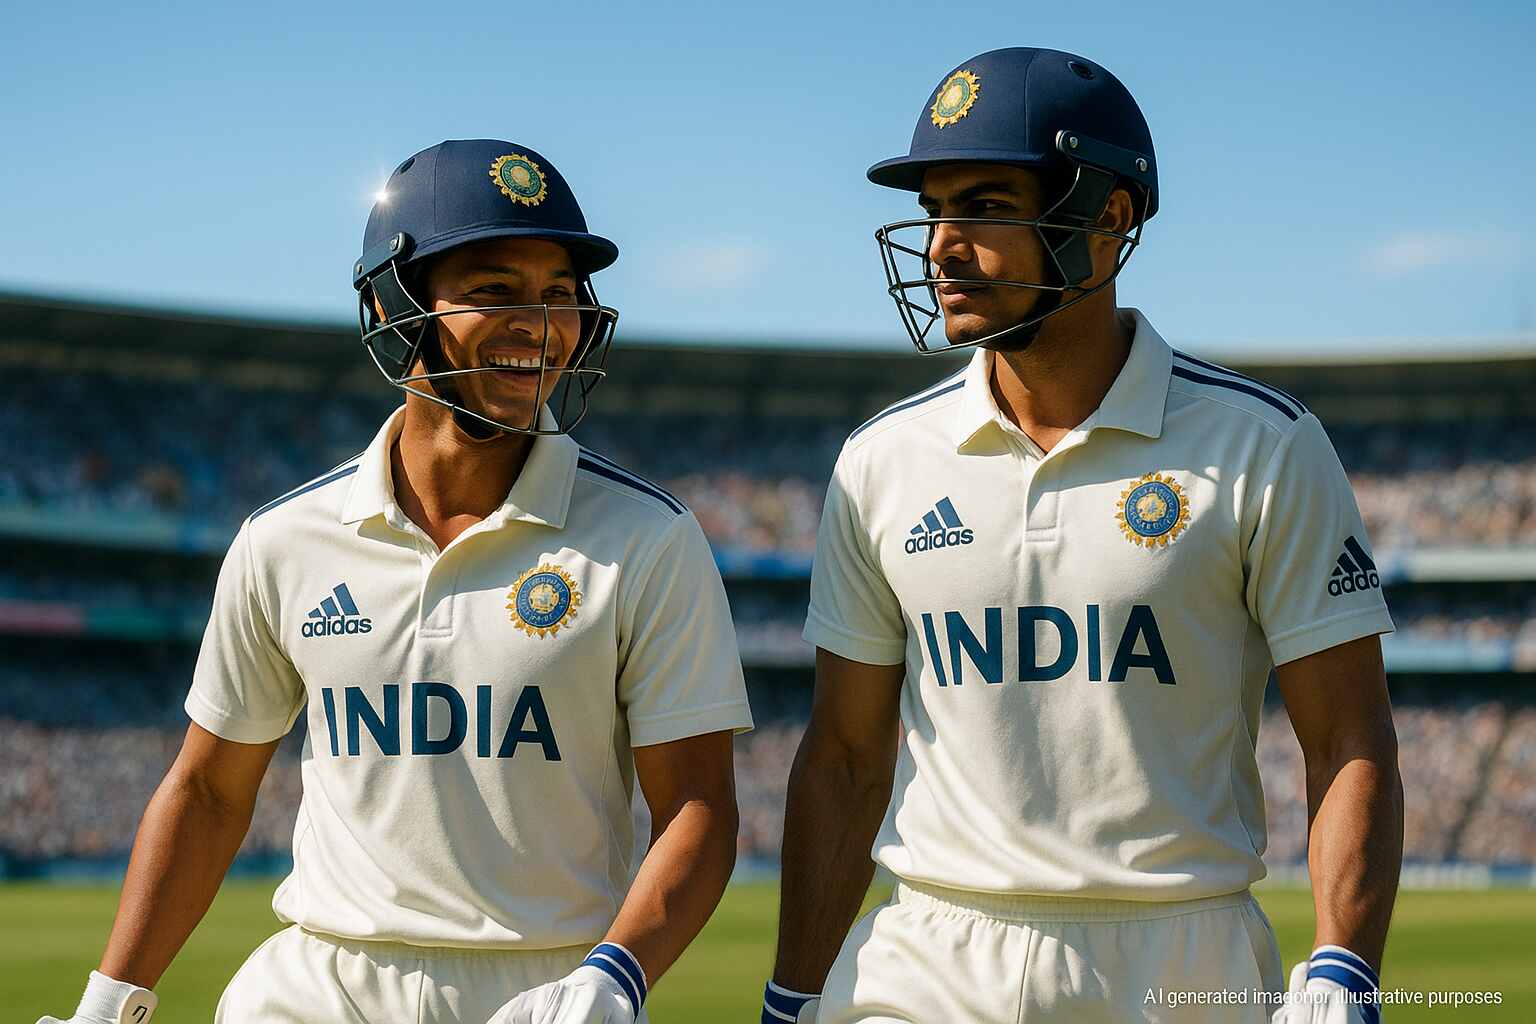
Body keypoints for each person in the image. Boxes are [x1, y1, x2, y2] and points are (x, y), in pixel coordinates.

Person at [39, 138, 752, 1024]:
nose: (540, 322)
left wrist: (615, 977)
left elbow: (697, 805)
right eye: (495, 291)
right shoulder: (283, 540)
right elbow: (208, 789)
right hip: (316, 986)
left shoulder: (648, 537)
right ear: (393, 303)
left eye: (561, 294)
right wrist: (108, 1001)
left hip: (540, 994)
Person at [761, 48, 1401, 1024]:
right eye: (934, 208)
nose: (940, 244)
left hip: (1182, 956)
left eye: (982, 205)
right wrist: (788, 995)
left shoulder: (1262, 444)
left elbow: (1349, 736)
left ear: (1107, 219)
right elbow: (846, 758)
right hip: (928, 952)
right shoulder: (881, 461)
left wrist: (1342, 968)